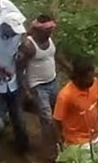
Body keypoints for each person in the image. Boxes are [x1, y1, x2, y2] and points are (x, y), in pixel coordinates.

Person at [17, 15, 69, 151]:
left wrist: (70, 70)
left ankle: (59, 140)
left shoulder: (50, 40)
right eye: (48, 30)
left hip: (52, 82)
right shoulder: (28, 46)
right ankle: (51, 147)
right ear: (39, 30)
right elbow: (19, 69)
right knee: (47, 117)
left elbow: (56, 56)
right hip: (38, 87)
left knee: (58, 113)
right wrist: (26, 90)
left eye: (51, 30)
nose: (50, 33)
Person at [53, 57, 98, 152]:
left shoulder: (94, 83)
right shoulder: (65, 95)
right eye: (88, 78)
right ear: (78, 77)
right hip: (77, 141)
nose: (91, 81)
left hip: (95, 135)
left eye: (92, 77)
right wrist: (60, 140)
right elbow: (57, 120)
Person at [0, 11, 29, 156]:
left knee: (18, 116)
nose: (15, 34)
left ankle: (23, 147)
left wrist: (20, 55)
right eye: (12, 30)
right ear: (4, 27)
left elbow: (20, 49)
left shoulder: (17, 37)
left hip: (13, 83)